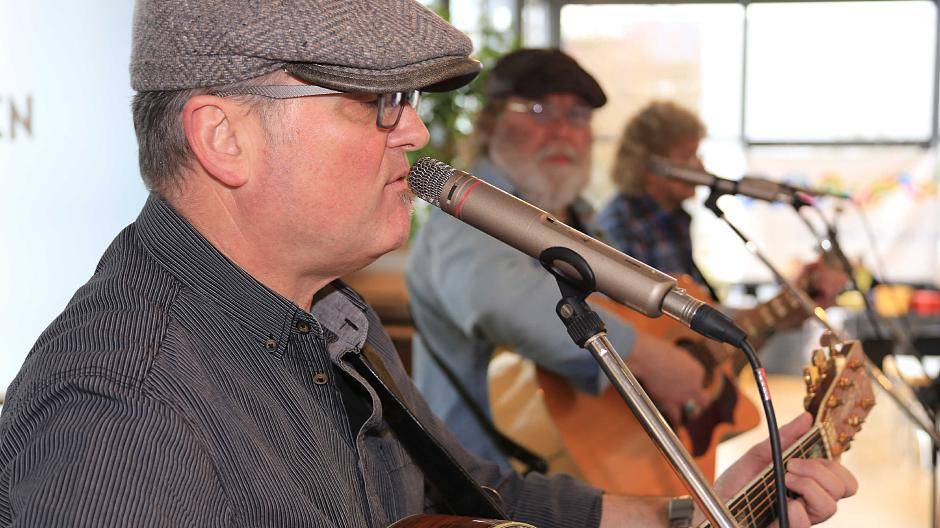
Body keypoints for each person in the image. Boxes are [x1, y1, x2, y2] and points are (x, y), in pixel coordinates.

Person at [0, 6, 853, 528]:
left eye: (406, 103)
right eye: (375, 103)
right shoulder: (120, 414)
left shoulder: (331, 313)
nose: (411, 133)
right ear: (224, 137)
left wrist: (694, 515)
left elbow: (469, 495)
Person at [407, 49, 712, 471]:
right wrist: (646, 358)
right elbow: (499, 300)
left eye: (578, 116)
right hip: (481, 490)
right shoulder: (463, 212)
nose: (561, 132)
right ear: (492, 121)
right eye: (539, 110)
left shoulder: (582, 218)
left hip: (578, 470)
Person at [597, 101, 845, 307]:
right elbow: (632, 322)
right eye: (688, 156)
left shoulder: (676, 221)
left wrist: (792, 299)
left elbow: (693, 313)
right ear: (651, 166)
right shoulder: (620, 223)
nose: (700, 167)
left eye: (698, 155)